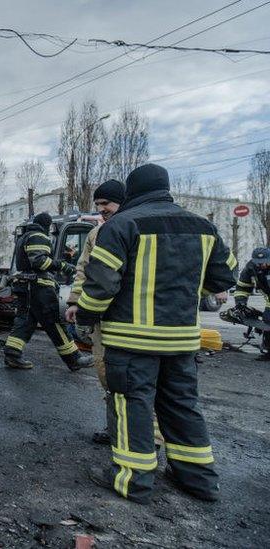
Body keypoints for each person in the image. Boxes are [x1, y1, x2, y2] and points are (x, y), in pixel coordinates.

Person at [76, 164, 236, 504]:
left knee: (132, 405)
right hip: (182, 342)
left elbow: (101, 285)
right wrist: (183, 292)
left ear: (131, 192)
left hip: (130, 341)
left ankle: (133, 481)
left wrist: (86, 315)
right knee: (181, 405)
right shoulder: (204, 227)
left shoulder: (121, 226)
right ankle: (198, 479)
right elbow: (224, 277)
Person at [65, 179, 124, 443]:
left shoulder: (133, 228)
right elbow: (83, 271)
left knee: (128, 382)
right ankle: (116, 432)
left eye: (106, 203)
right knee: (107, 375)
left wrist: (87, 311)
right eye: (98, 204)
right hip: (106, 319)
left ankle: (132, 441)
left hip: (124, 319)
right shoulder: (96, 234)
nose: (102, 209)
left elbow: (104, 280)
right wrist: (75, 302)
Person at [4, 212, 92, 371]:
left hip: (26, 286)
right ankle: (74, 359)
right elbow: (39, 261)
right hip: (39, 287)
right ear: (47, 225)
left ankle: (12, 354)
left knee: (25, 321)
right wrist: (63, 265)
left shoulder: (24, 236)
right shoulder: (39, 236)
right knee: (54, 321)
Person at [231, 247, 270, 355]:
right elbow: (242, 287)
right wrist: (240, 304)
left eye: (265, 262)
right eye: (259, 263)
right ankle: (268, 351)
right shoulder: (251, 268)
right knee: (267, 322)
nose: (262, 265)